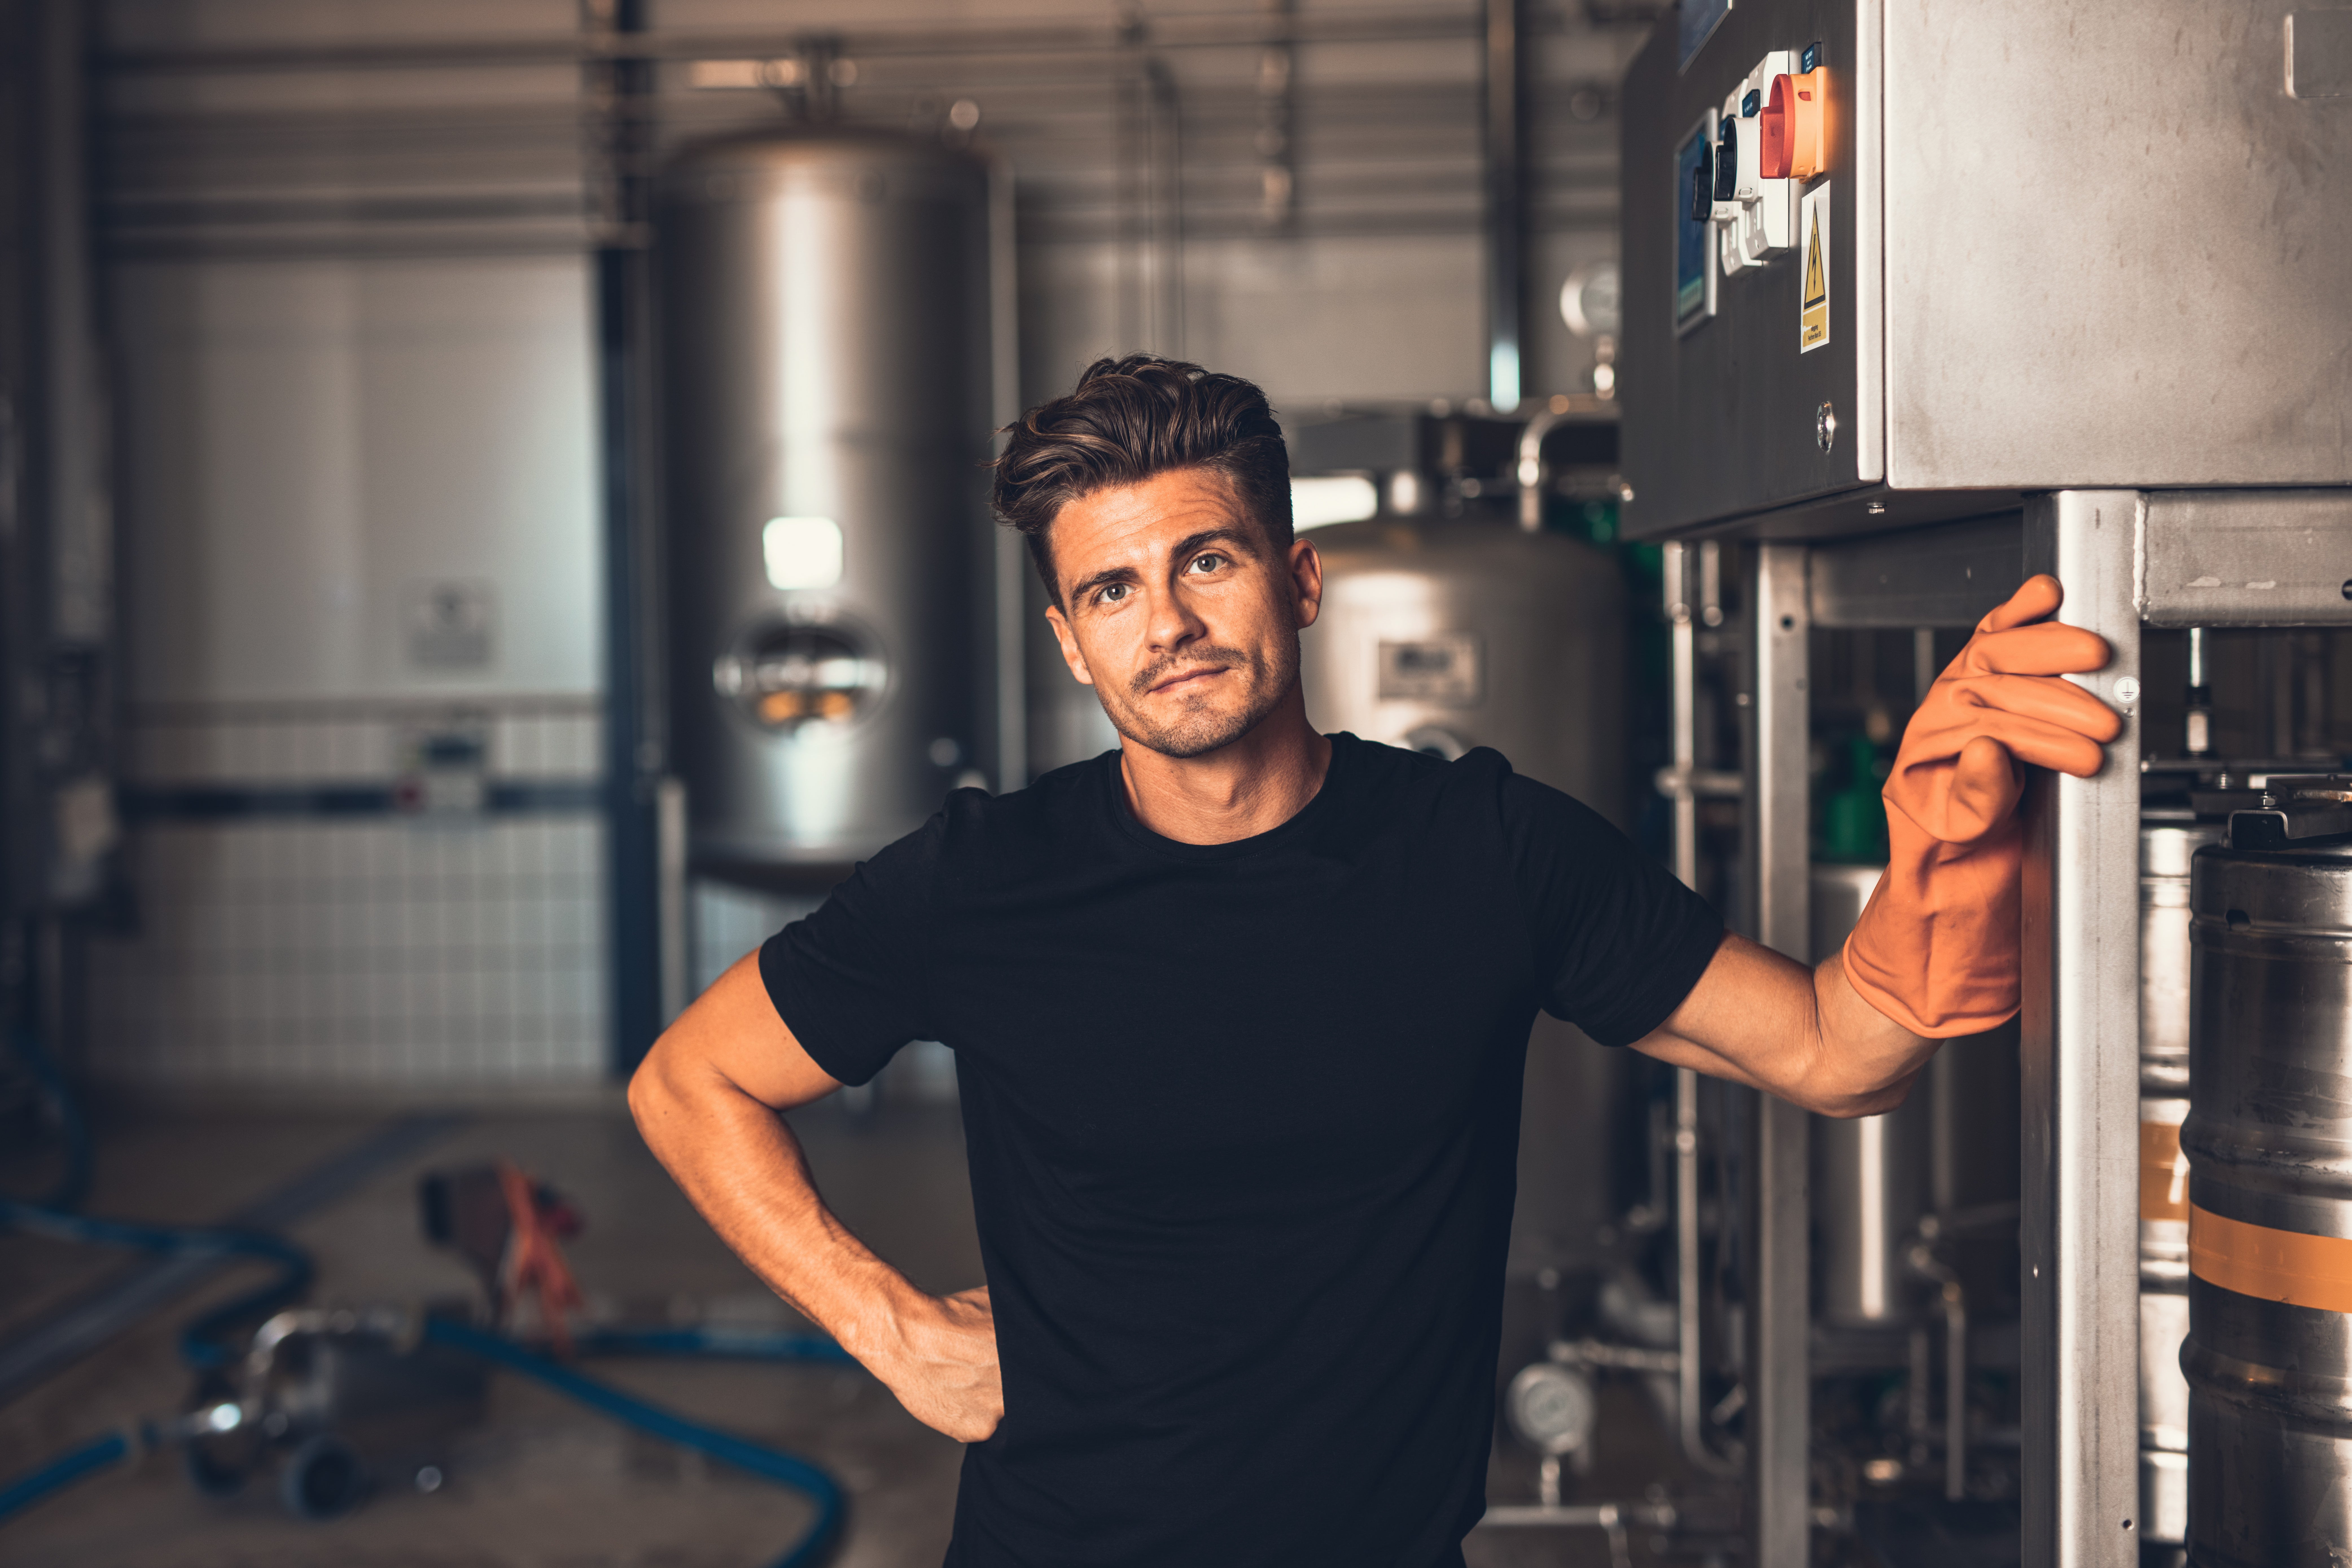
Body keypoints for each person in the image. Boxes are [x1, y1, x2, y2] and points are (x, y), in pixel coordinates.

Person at [629, 356, 2119, 1567]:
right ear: (1072, 644)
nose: (1167, 624)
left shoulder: (1481, 850)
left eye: (1205, 561)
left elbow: (1835, 1047)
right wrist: (890, 1329)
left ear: (1299, 577)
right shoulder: (983, 881)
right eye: (1112, 590)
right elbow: (691, 1080)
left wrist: (1947, 853)